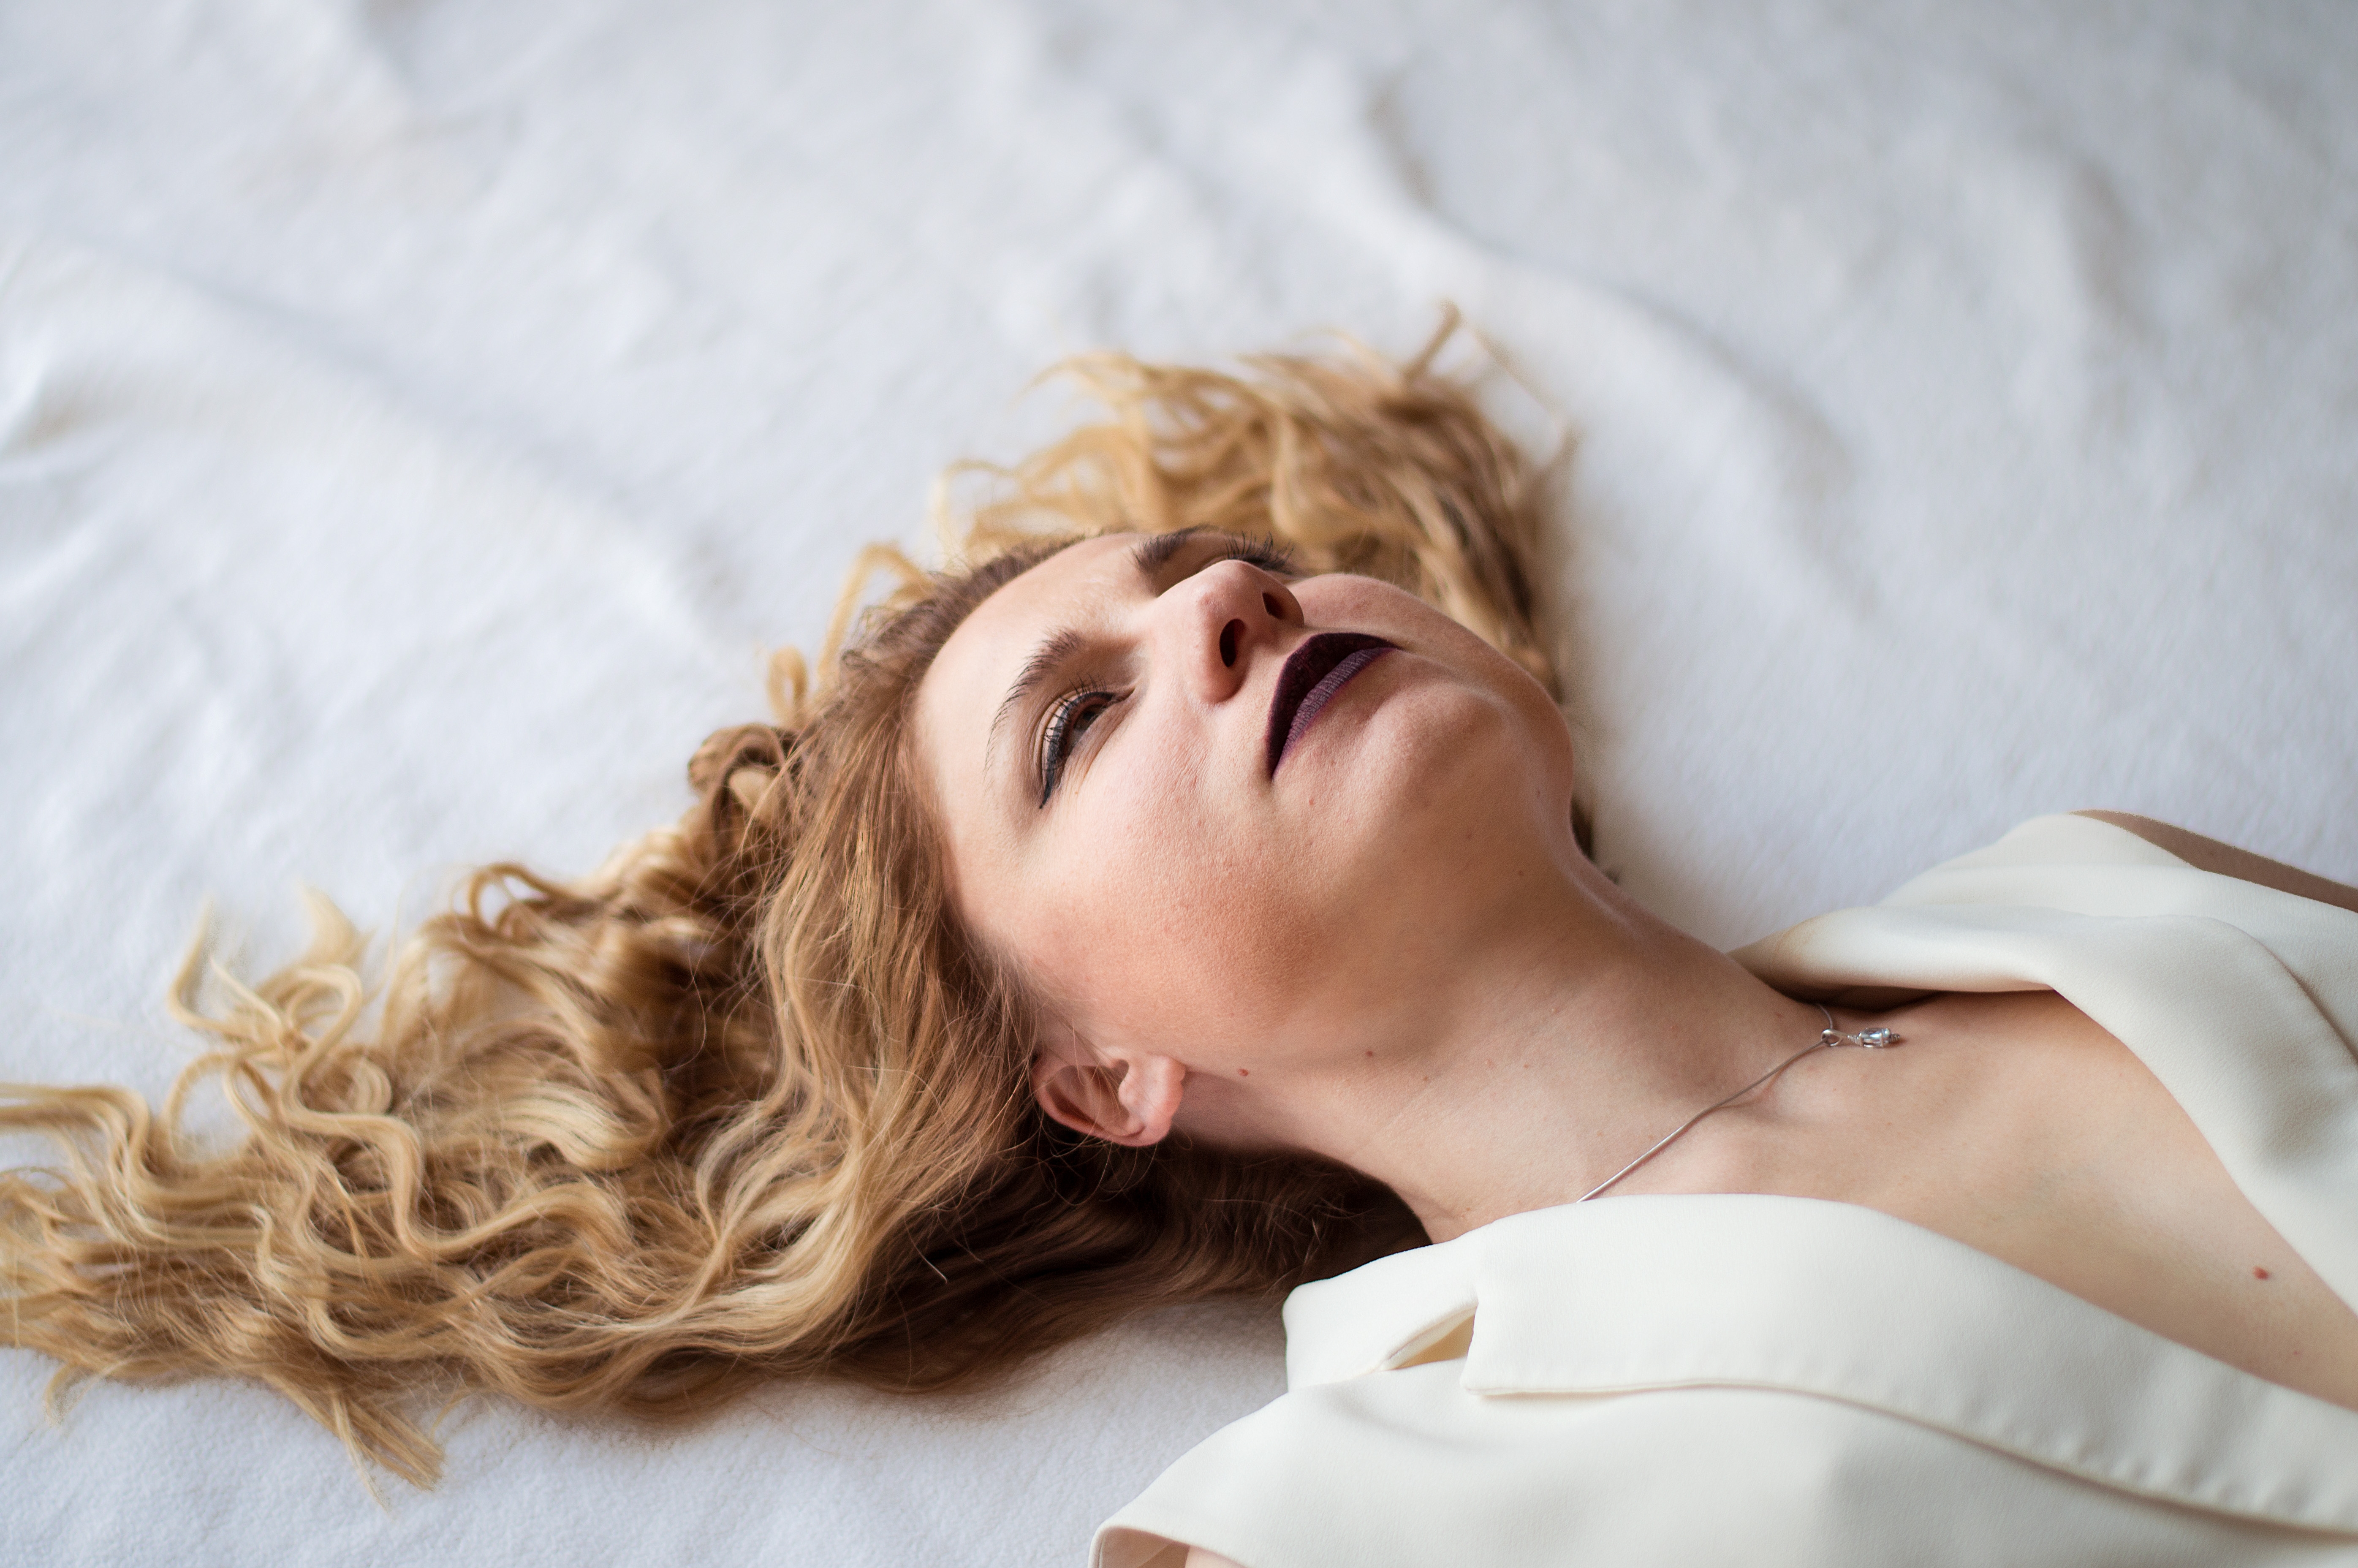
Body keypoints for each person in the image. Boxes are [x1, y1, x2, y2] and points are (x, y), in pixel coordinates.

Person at [7, 326, 2358, 1566]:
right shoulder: (1332, 1530)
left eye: (1226, 565)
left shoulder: (2111, 881)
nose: (1235, 595)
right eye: (1078, 724)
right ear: (1103, 1068)